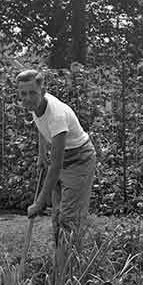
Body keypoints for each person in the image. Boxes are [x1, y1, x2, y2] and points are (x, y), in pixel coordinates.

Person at [16, 69, 97, 247]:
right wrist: (41, 153)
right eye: (23, 94)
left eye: (32, 93)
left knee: (69, 220)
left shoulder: (56, 115)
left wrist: (39, 203)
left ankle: (69, 269)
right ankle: (59, 264)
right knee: (58, 216)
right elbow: (40, 125)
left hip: (79, 160)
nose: (27, 98)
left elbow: (56, 166)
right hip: (63, 157)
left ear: (43, 91)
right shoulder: (34, 105)